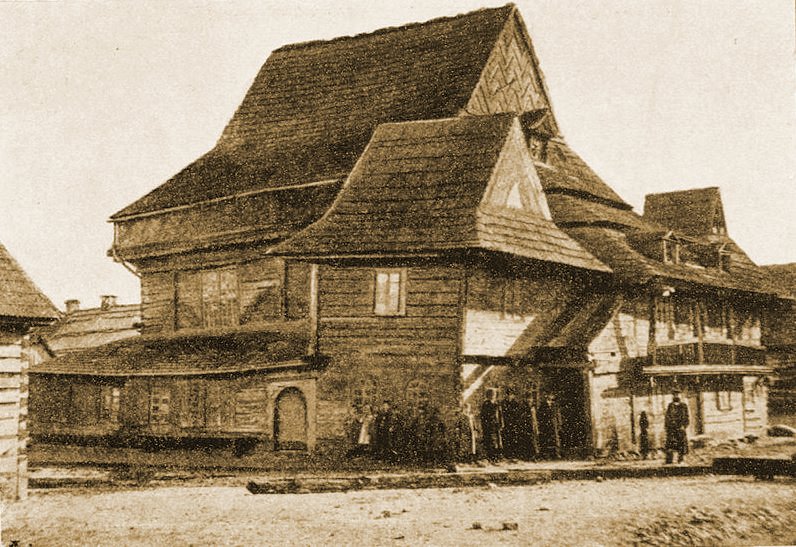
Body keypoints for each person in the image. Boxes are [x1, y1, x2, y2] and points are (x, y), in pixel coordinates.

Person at [665, 391, 689, 464]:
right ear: (673, 396)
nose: (676, 396)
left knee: (681, 444)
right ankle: (670, 460)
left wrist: (684, 426)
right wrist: (667, 426)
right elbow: (667, 417)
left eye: (677, 395)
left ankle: (680, 459)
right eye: (674, 395)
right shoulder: (670, 406)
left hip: (680, 428)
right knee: (671, 444)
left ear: (680, 396)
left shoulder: (684, 406)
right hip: (672, 428)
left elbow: (686, 417)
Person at [480, 388, 503, 461]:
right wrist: (485, 425)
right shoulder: (486, 404)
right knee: (490, 441)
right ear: (488, 395)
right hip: (489, 426)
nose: (493, 396)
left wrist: (501, 423)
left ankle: (497, 457)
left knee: (497, 441)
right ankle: (491, 457)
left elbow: (500, 415)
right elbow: (483, 416)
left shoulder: (497, 404)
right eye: (492, 394)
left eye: (494, 394)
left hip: (496, 425)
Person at [537, 393, 562, 459]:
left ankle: (556, 453)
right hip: (546, 425)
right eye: (549, 397)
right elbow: (540, 416)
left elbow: (558, 415)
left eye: (552, 398)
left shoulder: (555, 405)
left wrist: (559, 424)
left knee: (555, 439)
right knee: (546, 439)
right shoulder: (543, 405)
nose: (551, 400)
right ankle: (546, 454)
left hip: (554, 424)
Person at [501, 390, 523, 459]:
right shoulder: (503, 403)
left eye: (511, 395)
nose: (509, 396)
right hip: (506, 423)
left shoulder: (515, 403)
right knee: (506, 439)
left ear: (513, 396)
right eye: (508, 395)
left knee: (514, 438)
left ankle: (514, 455)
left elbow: (518, 414)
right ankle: (507, 454)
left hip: (514, 424)